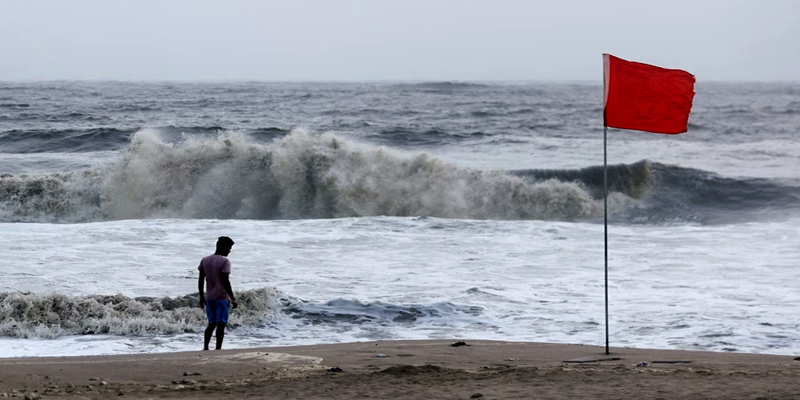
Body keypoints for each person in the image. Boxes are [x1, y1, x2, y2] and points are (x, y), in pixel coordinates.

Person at [198, 236, 238, 350]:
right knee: (221, 324)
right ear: (222, 247)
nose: (229, 251)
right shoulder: (225, 261)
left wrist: (201, 296)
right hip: (222, 296)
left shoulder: (205, 260)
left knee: (211, 323)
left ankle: (206, 347)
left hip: (209, 297)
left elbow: (201, 280)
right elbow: (226, 281)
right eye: (228, 248)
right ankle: (218, 348)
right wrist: (233, 298)